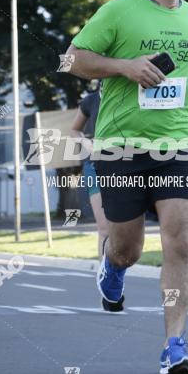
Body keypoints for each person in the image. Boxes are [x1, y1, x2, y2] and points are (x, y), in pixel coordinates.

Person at [62, 0, 188, 374]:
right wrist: (123, 67)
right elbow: (72, 59)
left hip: (176, 143)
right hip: (120, 147)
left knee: (180, 239)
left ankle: (174, 343)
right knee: (128, 249)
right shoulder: (118, 11)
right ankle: (112, 268)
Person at [69, 83, 109, 257]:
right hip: (95, 166)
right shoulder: (90, 101)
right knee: (105, 227)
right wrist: (86, 143)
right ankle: (104, 274)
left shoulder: (130, 96)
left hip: (128, 163)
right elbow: (74, 130)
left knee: (126, 228)